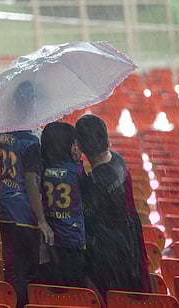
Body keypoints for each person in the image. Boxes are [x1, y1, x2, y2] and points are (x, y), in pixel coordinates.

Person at [75, 114, 151, 300]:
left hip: (107, 254)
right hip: (130, 244)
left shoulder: (93, 183)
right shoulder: (118, 161)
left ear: (82, 147)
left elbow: (87, 219)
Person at [0, 80, 54, 308]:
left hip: (4, 206)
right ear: (30, 103)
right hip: (24, 212)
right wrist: (41, 219)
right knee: (27, 268)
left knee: (10, 265)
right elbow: (31, 181)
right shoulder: (31, 142)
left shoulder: (1, 134)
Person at [39, 121, 86, 287]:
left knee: (54, 287)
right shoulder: (77, 170)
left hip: (50, 239)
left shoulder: (41, 170)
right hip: (73, 238)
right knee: (73, 287)